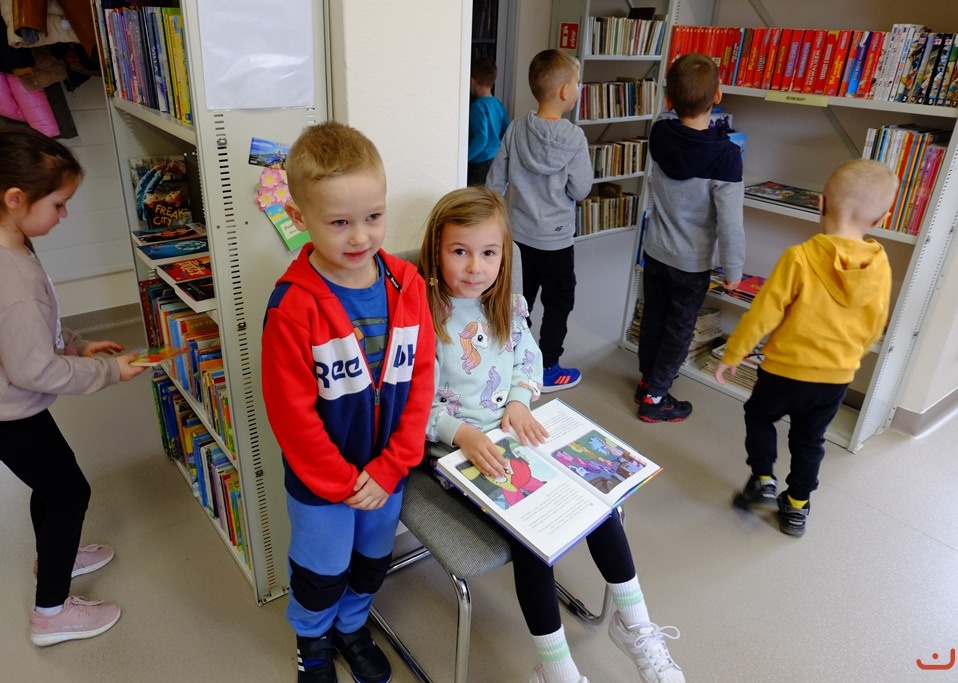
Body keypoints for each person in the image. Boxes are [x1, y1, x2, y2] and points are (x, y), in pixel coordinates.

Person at [419, 186, 684, 683]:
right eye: (460, 252)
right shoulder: (423, 318)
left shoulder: (507, 305)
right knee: (533, 539)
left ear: (504, 254)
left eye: (489, 253)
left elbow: (528, 361)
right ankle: (557, 669)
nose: (475, 267)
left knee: (599, 499)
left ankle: (636, 627)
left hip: (515, 432)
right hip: (454, 451)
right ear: (437, 250)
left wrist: (519, 400)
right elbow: (412, 406)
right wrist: (461, 434)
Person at [0, 127, 147, 646]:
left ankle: (55, 554)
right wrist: (109, 372)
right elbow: (33, 370)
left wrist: (75, 344)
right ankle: (51, 612)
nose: (64, 214)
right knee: (70, 493)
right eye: (58, 204)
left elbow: (28, 332)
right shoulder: (11, 277)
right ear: (14, 198)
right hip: (0, 411)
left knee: (52, 485)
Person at [260, 121, 436, 683]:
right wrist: (340, 481)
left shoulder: (408, 284)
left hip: (386, 471)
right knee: (322, 570)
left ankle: (352, 625)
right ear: (299, 218)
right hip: (322, 481)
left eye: (373, 217)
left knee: (371, 560)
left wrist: (391, 466)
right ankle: (312, 641)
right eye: (339, 223)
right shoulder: (293, 307)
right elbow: (290, 414)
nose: (360, 237)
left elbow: (422, 380)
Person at [715, 159, 896, 537]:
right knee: (810, 440)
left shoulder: (799, 257)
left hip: (783, 371)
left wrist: (734, 353)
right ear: (882, 219)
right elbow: (877, 324)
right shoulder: (880, 266)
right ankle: (797, 506)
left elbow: (763, 313)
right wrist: (850, 357)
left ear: (821, 203)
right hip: (835, 378)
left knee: (759, 416)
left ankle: (763, 480)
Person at [636, 52, 745, 422]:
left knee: (654, 317)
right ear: (718, 96)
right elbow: (730, 222)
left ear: (669, 99)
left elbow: (675, 128)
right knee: (679, 329)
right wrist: (733, 268)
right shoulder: (726, 156)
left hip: (656, 251)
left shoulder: (660, 133)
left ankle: (647, 380)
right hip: (691, 263)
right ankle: (655, 398)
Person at [486, 48, 593, 393]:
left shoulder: (517, 128)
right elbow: (581, 189)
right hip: (557, 241)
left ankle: (515, 361)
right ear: (564, 91)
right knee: (559, 303)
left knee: (519, 301)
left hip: (518, 236)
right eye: (577, 83)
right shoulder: (574, 138)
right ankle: (547, 368)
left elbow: (495, 182)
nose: (578, 88)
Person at [468, 55, 510, 187]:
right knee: (488, 195)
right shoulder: (497, 104)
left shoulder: (477, 106)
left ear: (472, 81)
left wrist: (464, 157)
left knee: (475, 196)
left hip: (479, 163)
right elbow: (507, 130)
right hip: (495, 159)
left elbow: (482, 138)